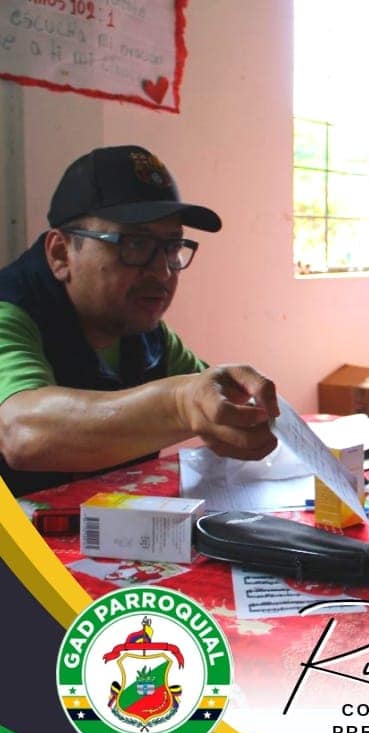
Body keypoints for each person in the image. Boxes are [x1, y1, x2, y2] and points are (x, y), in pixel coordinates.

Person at [0, 145, 279, 497]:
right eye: (134, 244)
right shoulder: (9, 313)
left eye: (172, 247)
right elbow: (22, 433)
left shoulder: (146, 334)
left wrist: (241, 415)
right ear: (61, 254)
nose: (162, 271)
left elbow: (207, 397)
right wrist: (180, 405)